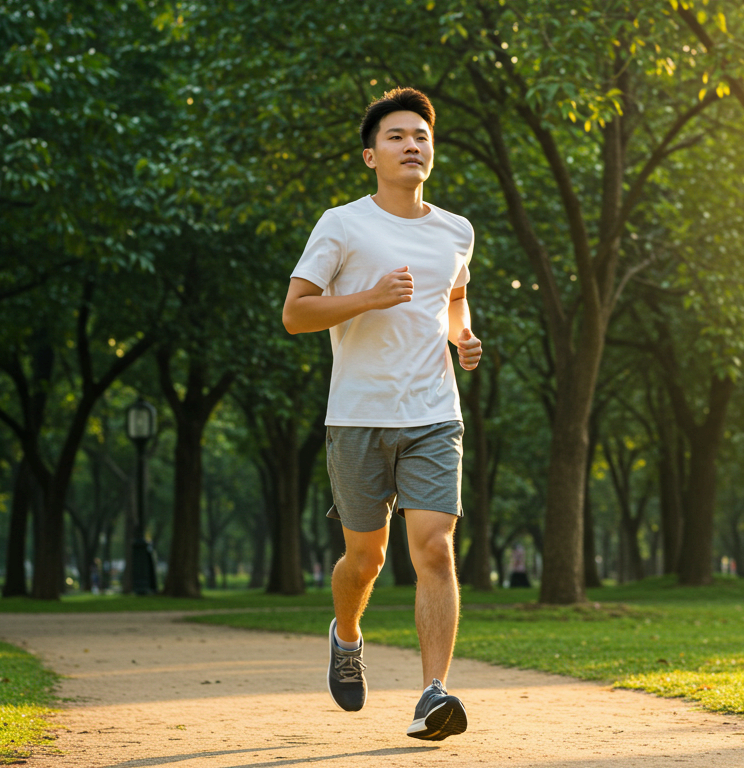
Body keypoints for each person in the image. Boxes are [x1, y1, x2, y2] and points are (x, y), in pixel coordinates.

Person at [281, 87, 481, 742]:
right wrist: (368, 297)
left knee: (436, 550)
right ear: (371, 155)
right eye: (396, 136)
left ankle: (432, 694)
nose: (411, 145)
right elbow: (295, 313)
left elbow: (453, 300)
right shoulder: (341, 224)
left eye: (421, 136)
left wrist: (462, 337)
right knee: (364, 561)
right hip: (357, 417)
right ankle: (346, 635)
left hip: (433, 414)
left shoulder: (457, 230)